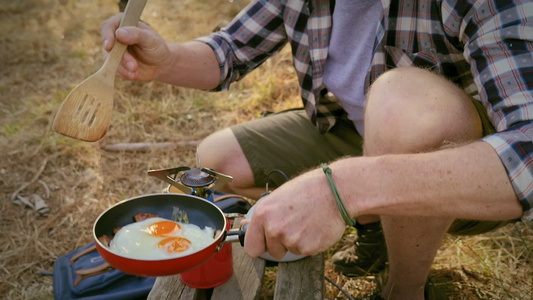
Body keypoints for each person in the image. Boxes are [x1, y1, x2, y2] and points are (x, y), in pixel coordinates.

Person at [100, 0, 532, 298]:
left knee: (403, 100)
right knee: (218, 160)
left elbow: (526, 151)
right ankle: (379, 228)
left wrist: (344, 189)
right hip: (350, 133)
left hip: (456, 170)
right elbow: (228, 51)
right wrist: (165, 60)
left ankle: (404, 290)